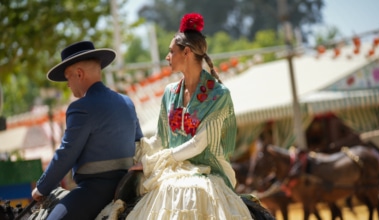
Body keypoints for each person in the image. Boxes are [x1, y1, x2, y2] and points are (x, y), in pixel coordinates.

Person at [100, 13, 254, 219]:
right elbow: (162, 139)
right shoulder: (170, 92)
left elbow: (198, 145)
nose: (167, 57)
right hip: (174, 169)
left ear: (187, 52)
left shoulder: (218, 95)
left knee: (189, 189)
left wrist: (152, 163)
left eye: (171, 51)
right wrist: (133, 152)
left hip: (208, 171)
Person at [31, 41, 143, 220]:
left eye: (68, 78)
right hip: (128, 187)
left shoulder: (81, 108)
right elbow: (140, 143)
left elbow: (67, 154)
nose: (68, 84)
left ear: (79, 74)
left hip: (95, 191)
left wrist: (41, 187)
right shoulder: (126, 102)